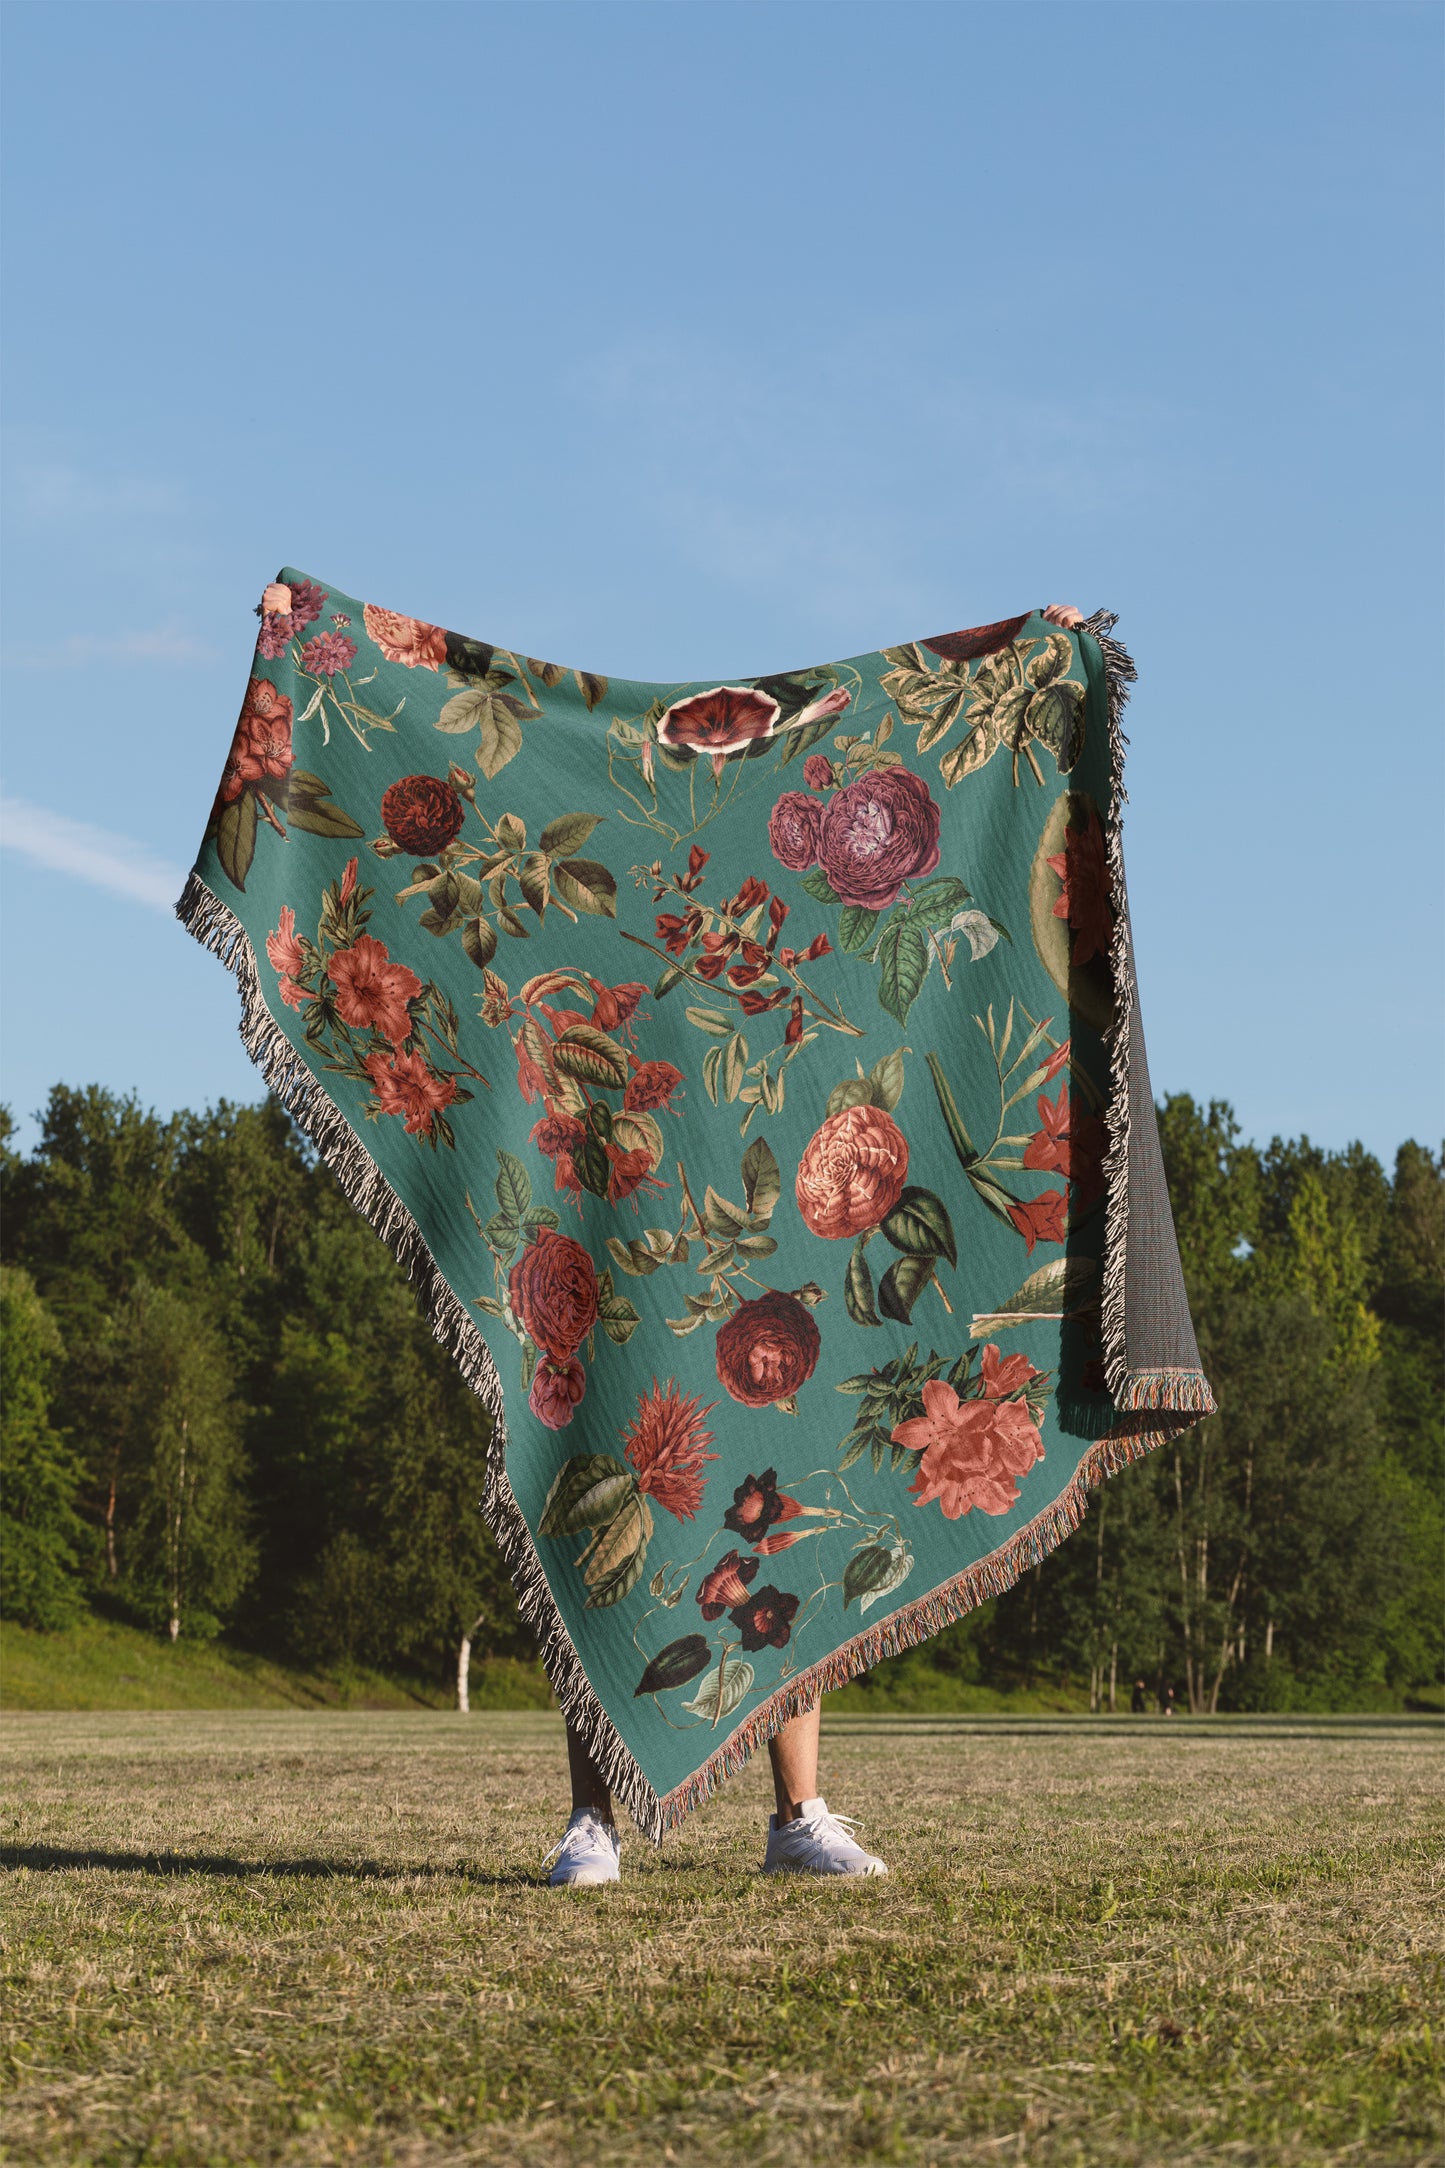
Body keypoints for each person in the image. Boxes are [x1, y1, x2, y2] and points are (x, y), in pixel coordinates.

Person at [545, 600, 1090, 1888]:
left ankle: (797, 1817)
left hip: (777, 1224)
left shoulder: (804, 859)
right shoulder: (617, 841)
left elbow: (932, 754)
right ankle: (594, 1821)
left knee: (781, 1502)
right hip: (629, 1217)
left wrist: (1042, 648)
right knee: (602, 1504)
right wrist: (303, 624)